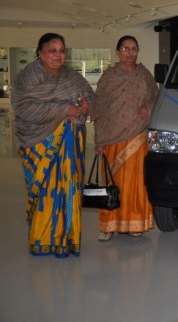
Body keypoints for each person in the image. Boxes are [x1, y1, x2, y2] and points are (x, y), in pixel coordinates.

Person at [11, 33, 95, 258]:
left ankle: (67, 238)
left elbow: (90, 96)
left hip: (70, 143)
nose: (58, 55)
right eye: (52, 51)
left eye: (62, 51)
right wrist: (64, 110)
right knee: (44, 192)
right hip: (39, 141)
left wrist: (85, 106)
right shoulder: (27, 77)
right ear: (40, 53)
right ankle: (43, 238)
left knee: (69, 189)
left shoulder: (72, 76)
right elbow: (23, 108)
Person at [93, 35, 159, 241]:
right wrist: (99, 140)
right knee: (112, 183)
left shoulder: (144, 74)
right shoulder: (109, 76)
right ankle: (108, 226)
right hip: (112, 136)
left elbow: (155, 97)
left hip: (138, 135)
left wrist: (147, 107)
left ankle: (134, 223)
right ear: (117, 52)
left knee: (136, 182)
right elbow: (98, 108)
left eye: (133, 48)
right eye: (125, 48)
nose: (130, 52)